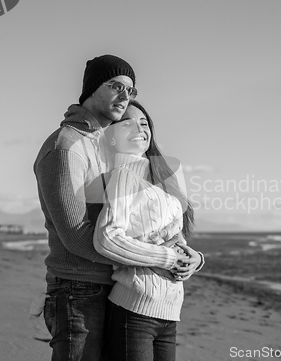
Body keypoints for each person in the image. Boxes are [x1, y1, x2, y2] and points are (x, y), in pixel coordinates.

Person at [33, 54, 204, 361]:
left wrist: (184, 253)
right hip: (78, 289)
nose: (125, 95)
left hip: (111, 286)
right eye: (116, 85)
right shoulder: (67, 146)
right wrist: (156, 260)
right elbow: (77, 236)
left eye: (131, 90)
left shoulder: (110, 148)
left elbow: (141, 222)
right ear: (91, 89)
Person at [93, 100, 203, 361]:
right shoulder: (124, 174)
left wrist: (196, 260)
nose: (138, 128)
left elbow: (176, 237)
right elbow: (106, 238)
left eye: (143, 123)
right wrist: (167, 258)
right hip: (134, 310)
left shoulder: (164, 173)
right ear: (111, 137)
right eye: (127, 122)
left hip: (170, 311)